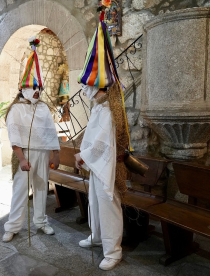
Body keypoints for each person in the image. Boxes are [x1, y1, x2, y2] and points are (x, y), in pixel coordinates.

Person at [74, 20, 130, 271]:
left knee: (108, 204)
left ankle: (113, 250)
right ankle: (97, 237)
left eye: (90, 86)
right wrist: (83, 154)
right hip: (97, 165)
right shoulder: (99, 107)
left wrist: (83, 155)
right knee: (95, 203)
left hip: (107, 166)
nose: (86, 90)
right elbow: (92, 137)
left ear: (101, 87)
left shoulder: (109, 111)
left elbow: (103, 143)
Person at [2, 37, 60, 243]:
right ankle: (13, 226)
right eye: (34, 87)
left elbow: (50, 130)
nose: (37, 91)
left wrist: (56, 153)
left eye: (39, 88)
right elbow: (14, 135)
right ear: (24, 87)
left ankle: (41, 221)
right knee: (20, 189)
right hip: (25, 154)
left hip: (43, 152)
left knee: (42, 187)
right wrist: (22, 158)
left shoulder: (43, 107)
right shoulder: (16, 109)